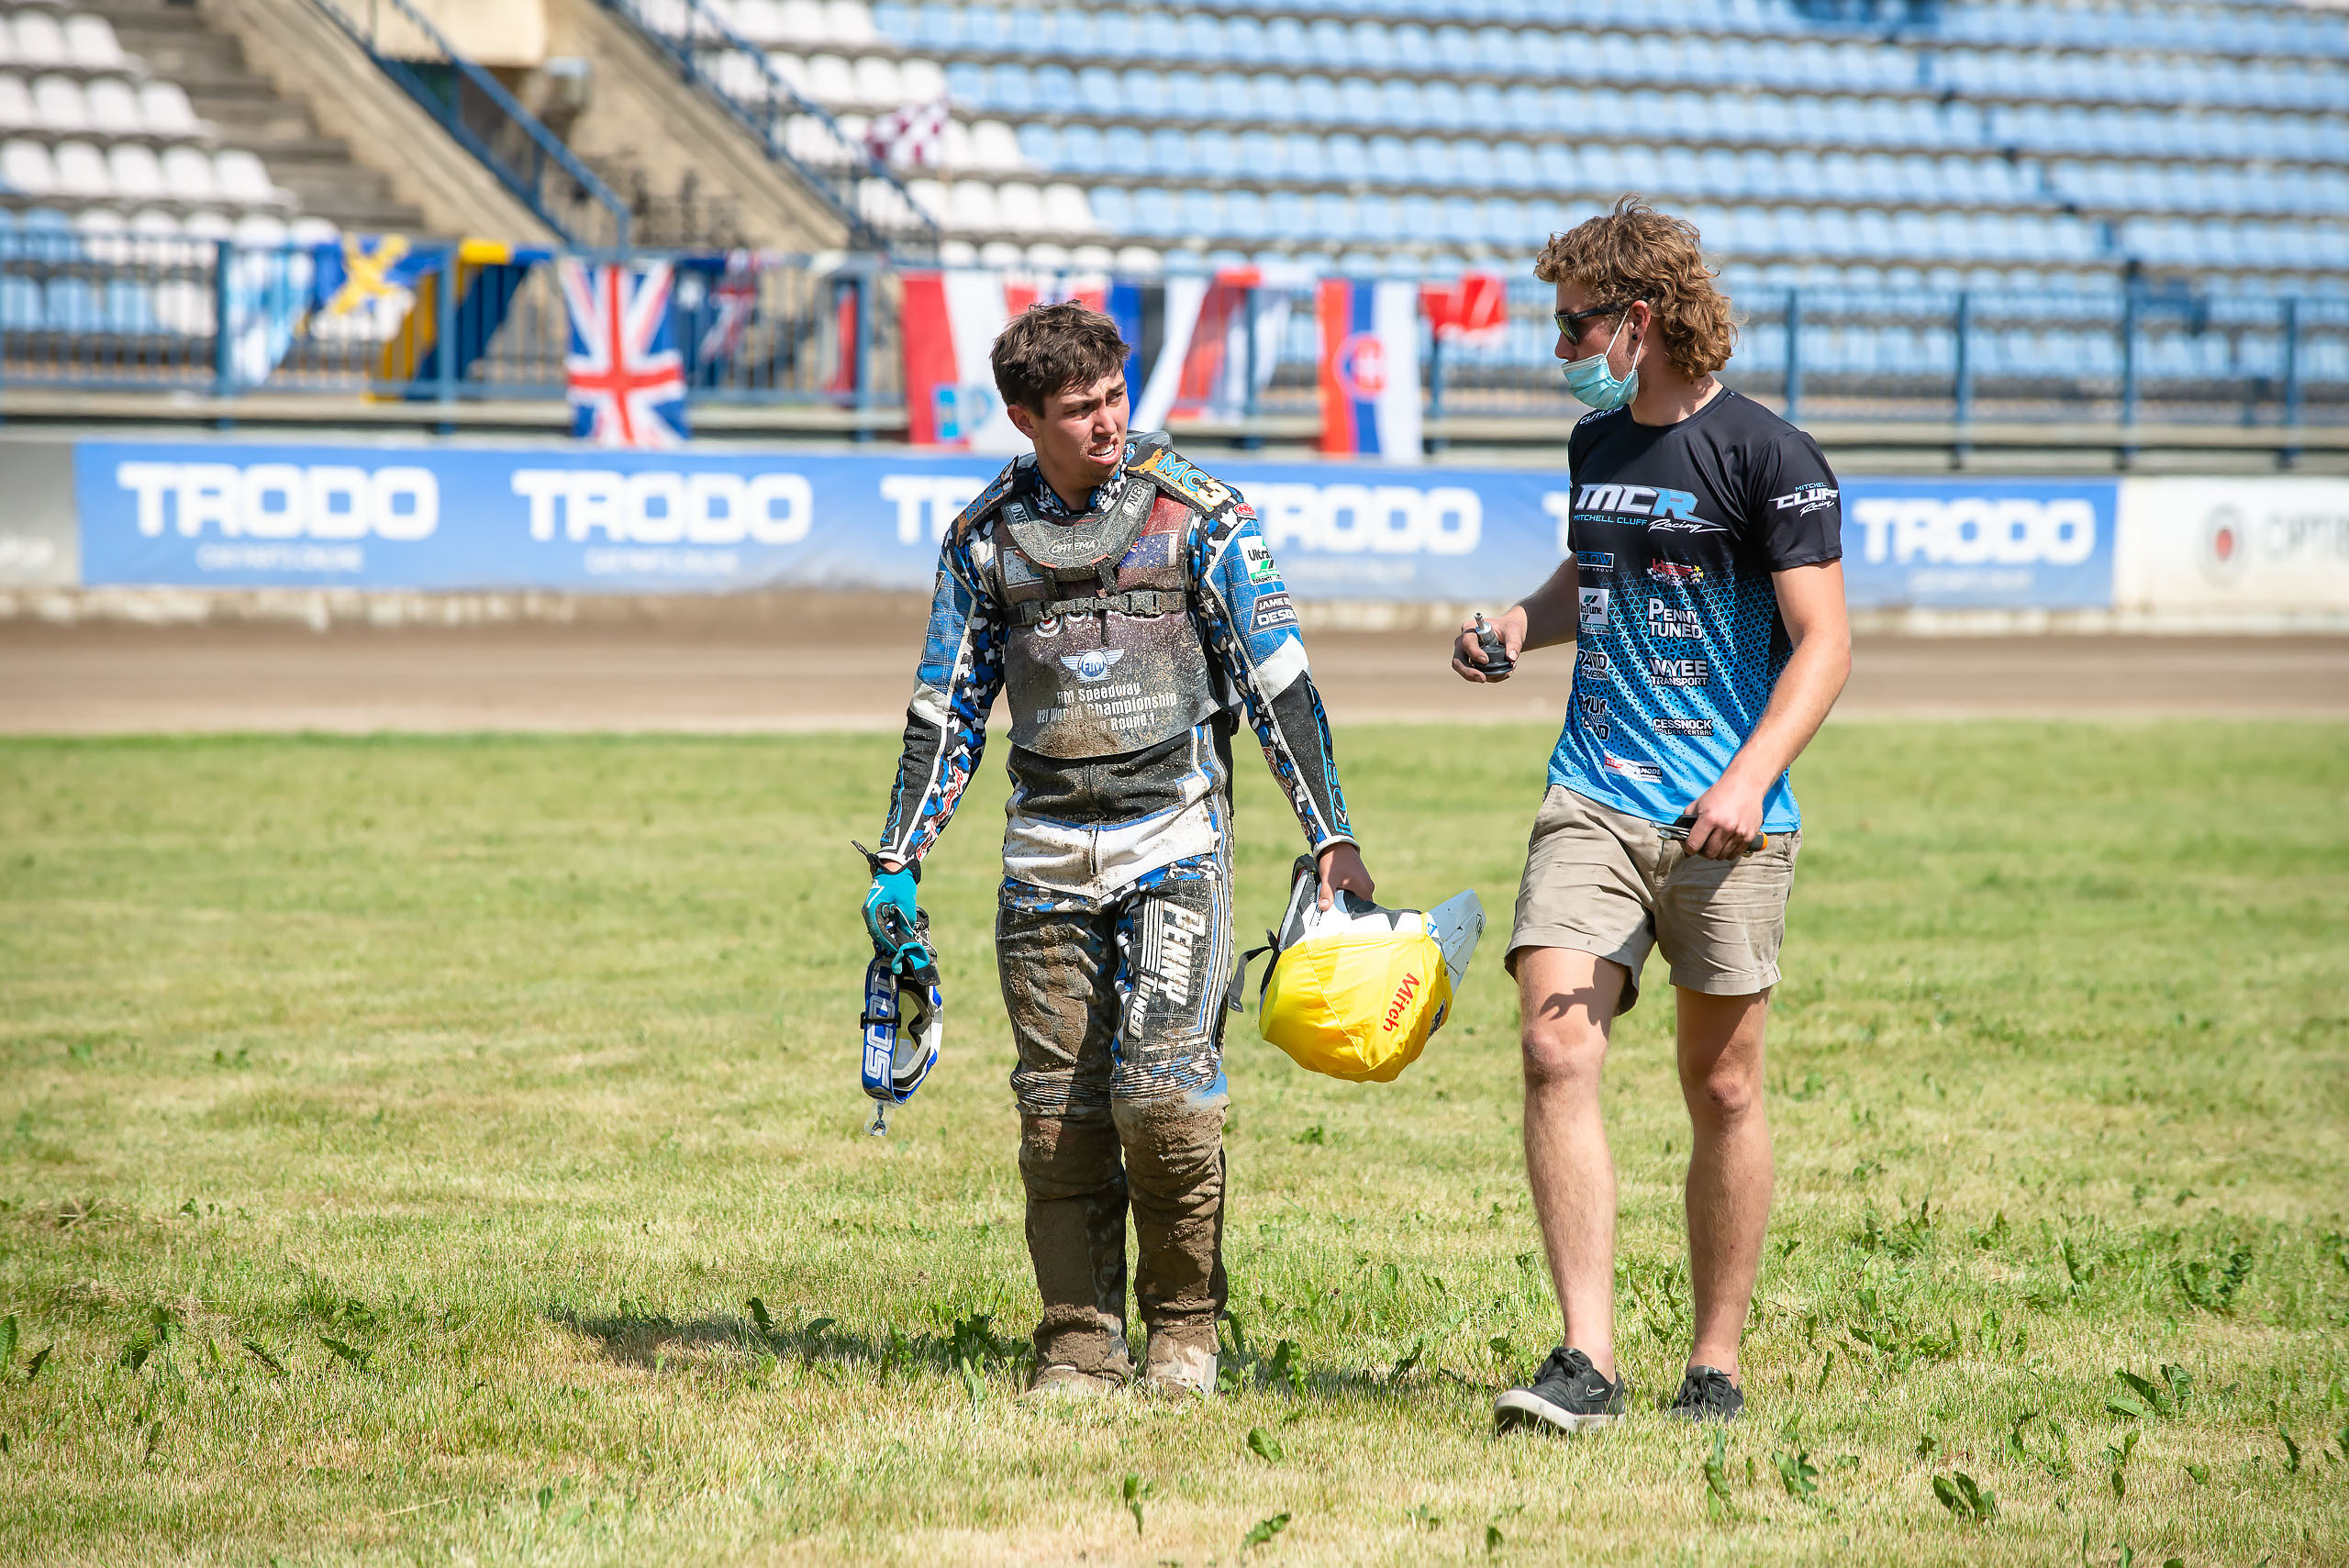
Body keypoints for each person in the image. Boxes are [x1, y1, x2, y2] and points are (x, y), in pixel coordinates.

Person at [865, 301, 1375, 1400]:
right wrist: (898, 860)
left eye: (1113, 398)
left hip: (1176, 841)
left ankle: (1185, 1329)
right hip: (1043, 856)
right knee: (1057, 1114)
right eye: (1076, 410)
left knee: (1164, 1094)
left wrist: (1327, 829)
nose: (1105, 424)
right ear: (1021, 417)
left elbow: (1276, 680)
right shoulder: (983, 539)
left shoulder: (1202, 515)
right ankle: (1077, 1343)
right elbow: (944, 710)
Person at [1454, 197, 1851, 1432]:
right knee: (1554, 1046)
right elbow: (1599, 569)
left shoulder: (1770, 457)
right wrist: (1523, 620)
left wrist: (1746, 778)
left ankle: (1716, 1362)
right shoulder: (1596, 445)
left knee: (1723, 1090)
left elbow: (1824, 645)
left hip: (1728, 823)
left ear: (1638, 317)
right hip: (1593, 797)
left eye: (1575, 322)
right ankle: (1587, 1358)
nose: (1559, 345)